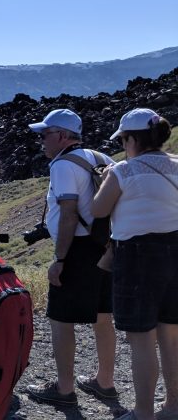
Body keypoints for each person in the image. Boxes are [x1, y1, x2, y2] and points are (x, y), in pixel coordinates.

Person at [23, 108, 117, 407]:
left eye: (45, 134)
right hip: (107, 246)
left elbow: (68, 213)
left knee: (60, 319)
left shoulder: (63, 165)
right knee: (103, 317)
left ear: (61, 136)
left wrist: (60, 259)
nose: (41, 140)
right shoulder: (102, 158)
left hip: (77, 250)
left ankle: (64, 389)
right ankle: (105, 382)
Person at [91, 108, 178, 420]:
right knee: (171, 335)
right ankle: (173, 407)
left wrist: (104, 181)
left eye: (124, 139)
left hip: (138, 256)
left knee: (141, 340)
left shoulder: (123, 170)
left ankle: (143, 413)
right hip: (176, 250)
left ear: (131, 139)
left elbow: (98, 210)